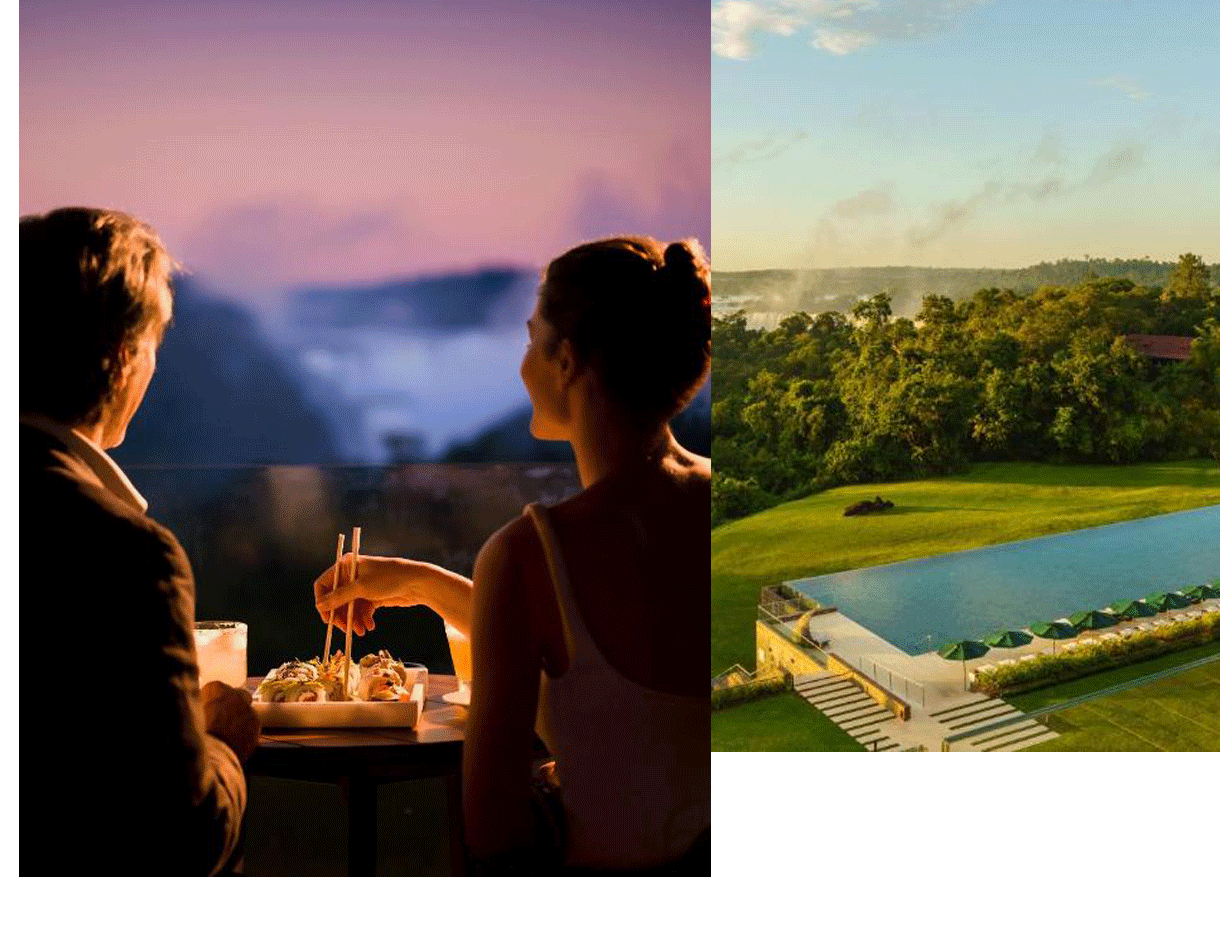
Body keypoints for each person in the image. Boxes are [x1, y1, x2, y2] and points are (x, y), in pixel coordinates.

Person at [316, 235, 710, 872]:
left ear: (566, 360)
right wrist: (425, 583)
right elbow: (623, 691)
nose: (522, 365)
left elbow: (495, 834)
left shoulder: (530, 555)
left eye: (531, 339)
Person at [19, 208, 259, 876]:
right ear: (124, 359)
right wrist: (223, 745)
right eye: (154, 346)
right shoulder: (128, 555)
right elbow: (184, 836)